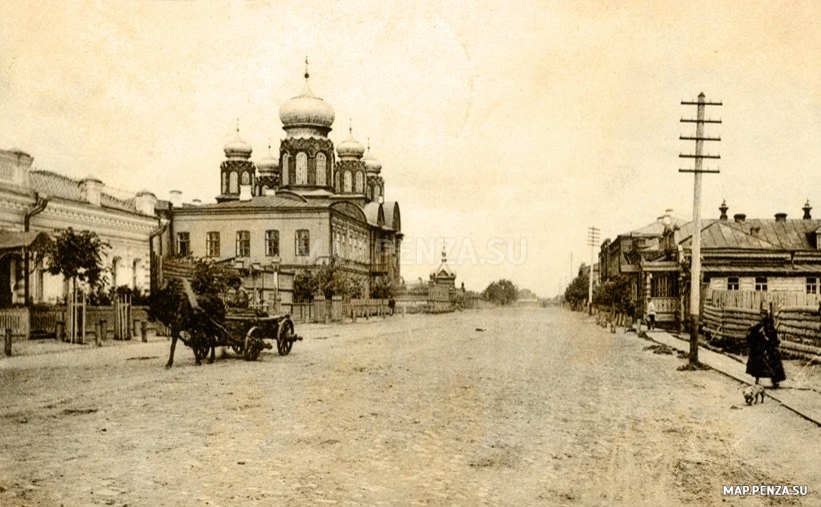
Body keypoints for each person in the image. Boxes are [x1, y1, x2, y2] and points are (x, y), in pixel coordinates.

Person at [745, 310, 786, 388]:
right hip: (761, 348)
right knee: (756, 356)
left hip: (770, 348)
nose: (761, 316)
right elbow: (751, 334)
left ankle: (775, 380)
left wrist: (769, 343)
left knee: (774, 358)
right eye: (761, 315)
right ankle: (757, 378)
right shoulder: (760, 325)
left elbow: (774, 339)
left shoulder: (770, 327)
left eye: (763, 315)